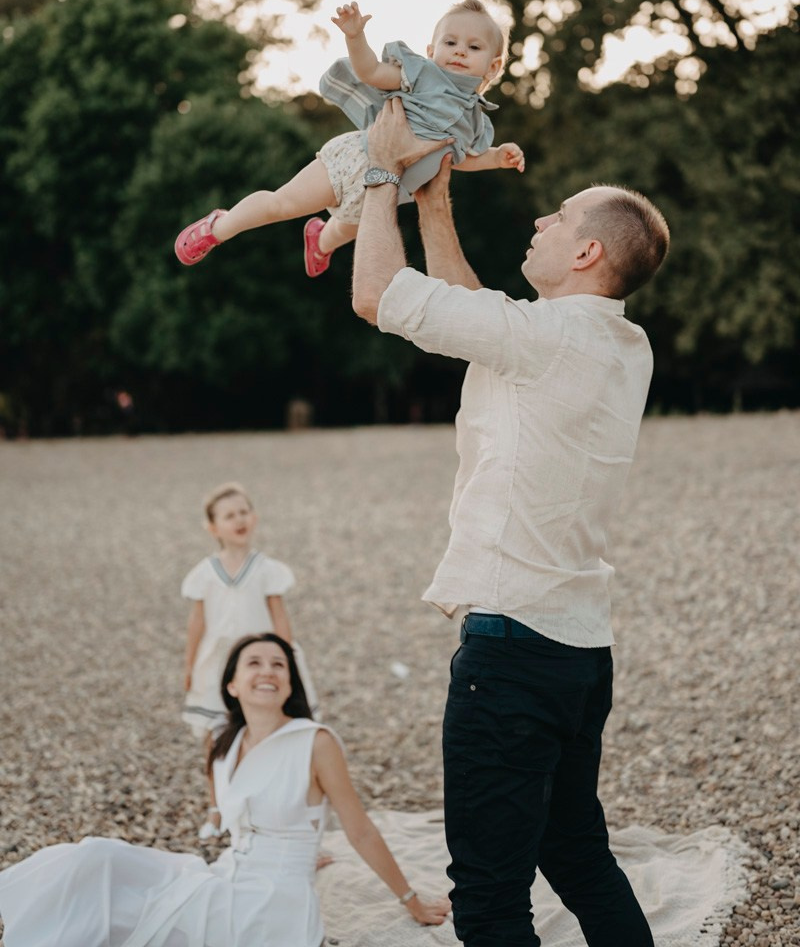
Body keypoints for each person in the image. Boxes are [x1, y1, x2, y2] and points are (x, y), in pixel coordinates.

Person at [350, 99, 670, 946]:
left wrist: (381, 168)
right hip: (578, 651)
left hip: (513, 656)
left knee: (489, 899)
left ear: (587, 251)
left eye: (558, 217)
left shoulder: (545, 340)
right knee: (578, 854)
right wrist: (433, 202)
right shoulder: (613, 344)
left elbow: (377, 294)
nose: (540, 217)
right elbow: (475, 321)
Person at [0, 634, 450, 946]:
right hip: (223, 872)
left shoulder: (315, 741)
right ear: (233, 684)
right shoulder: (223, 744)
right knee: (95, 856)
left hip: (272, 901)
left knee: (130, 917)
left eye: (279, 664)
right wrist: (303, 843)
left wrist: (411, 901)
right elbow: (245, 822)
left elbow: (360, 830)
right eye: (253, 663)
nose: (268, 670)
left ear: (289, 683)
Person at [174, 0, 524, 275]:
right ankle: (219, 227)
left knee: (343, 229)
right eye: (451, 42)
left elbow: (459, 160)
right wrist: (356, 38)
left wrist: (497, 158)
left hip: (387, 191)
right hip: (356, 161)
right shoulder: (421, 76)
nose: (461, 50)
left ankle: (319, 242)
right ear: (432, 51)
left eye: (474, 47)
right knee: (284, 204)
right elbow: (370, 71)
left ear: (493, 66)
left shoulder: (476, 120)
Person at [182, 481, 318, 840]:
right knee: (216, 734)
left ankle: (280, 806)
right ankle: (215, 808)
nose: (239, 520)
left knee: (277, 728)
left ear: (253, 517)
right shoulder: (204, 572)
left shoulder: (266, 568)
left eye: (243, 512)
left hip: (261, 661)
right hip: (217, 664)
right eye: (229, 515)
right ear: (213, 528)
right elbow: (197, 622)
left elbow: (279, 615)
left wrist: (285, 658)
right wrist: (189, 665)